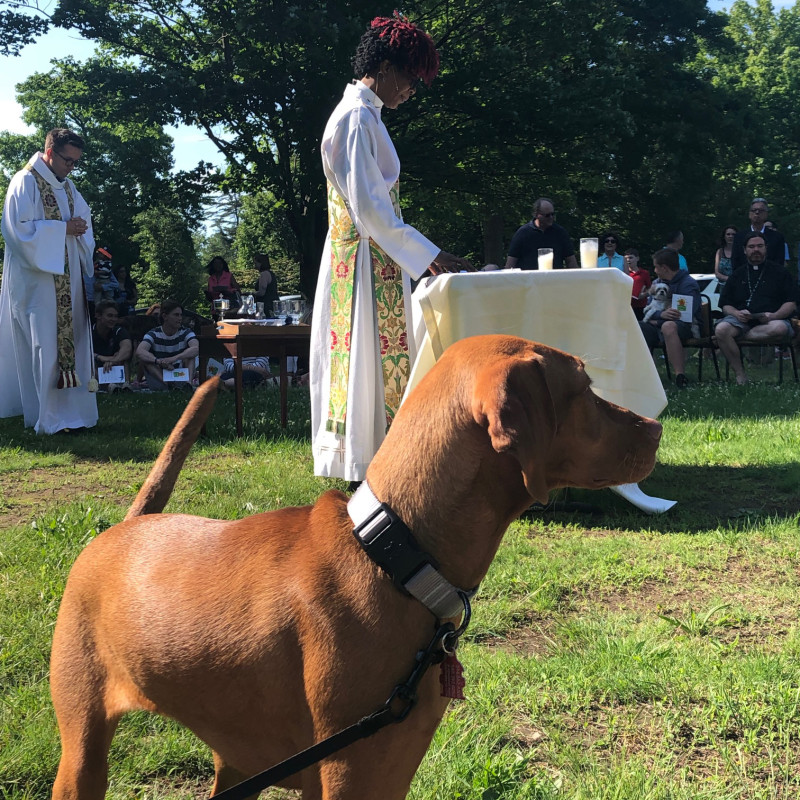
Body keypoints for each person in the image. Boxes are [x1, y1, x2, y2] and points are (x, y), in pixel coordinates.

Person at [310, 13, 471, 483]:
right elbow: (373, 210)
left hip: (373, 255)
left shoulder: (366, 115)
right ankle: (362, 460)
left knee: (376, 360)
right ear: (383, 65)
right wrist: (431, 255)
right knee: (364, 357)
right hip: (362, 259)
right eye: (410, 78)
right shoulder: (357, 117)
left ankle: (375, 456)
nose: (411, 91)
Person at [0, 128, 98, 434]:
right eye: (68, 160)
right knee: (44, 345)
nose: (71, 167)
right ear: (51, 152)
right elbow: (18, 231)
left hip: (69, 282)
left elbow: (83, 219)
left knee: (73, 343)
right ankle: (48, 419)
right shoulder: (24, 181)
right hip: (38, 282)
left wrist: (79, 228)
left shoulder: (68, 187)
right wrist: (62, 229)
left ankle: (74, 415)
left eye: (76, 163)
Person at [714, 232, 797, 385]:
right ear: (745, 250)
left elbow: (791, 303)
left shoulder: (781, 273)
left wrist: (774, 315)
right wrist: (736, 313)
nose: (756, 250)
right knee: (721, 330)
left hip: (771, 321)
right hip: (741, 320)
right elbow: (725, 305)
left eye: (760, 246)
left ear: (766, 248)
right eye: (751, 247)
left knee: (779, 328)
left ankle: (735, 339)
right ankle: (740, 375)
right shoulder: (737, 274)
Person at [639, 248, 701, 388]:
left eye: (656, 267)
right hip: (659, 323)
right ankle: (648, 375)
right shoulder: (658, 283)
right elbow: (648, 308)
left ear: (664, 268)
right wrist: (660, 316)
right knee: (636, 326)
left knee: (669, 326)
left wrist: (658, 320)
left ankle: (680, 376)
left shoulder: (687, 284)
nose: (654, 270)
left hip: (686, 326)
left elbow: (683, 314)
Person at [135, 299, 199, 391]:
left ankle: (187, 385)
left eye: (181, 315)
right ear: (165, 316)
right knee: (146, 360)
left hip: (180, 373)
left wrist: (174, 358)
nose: (180, 318)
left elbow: (196, 348)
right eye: (176, 315)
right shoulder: (154, 333)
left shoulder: (186, 332)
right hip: (160, 373)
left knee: (190, 356)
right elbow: (140, 351)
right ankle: (169, 386)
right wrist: (159, 361)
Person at [504, 197, 577, 270]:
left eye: (553, 214)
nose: (551, 217)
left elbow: (571, 261)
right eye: (547, 215)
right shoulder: (523, 233)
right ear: (536, 215)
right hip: (529, 279)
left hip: (554, 278)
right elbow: (511, 263)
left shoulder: (560, 233)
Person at [731, 198, 787, 271]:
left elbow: (779, 262)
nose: (757, 213)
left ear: (766, 214)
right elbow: (735, 262)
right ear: (749, 214)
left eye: (761, 210)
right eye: (754, 210)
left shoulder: (777, 237)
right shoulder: (739, 237)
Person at [92, 299, 133, 391]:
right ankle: (109, 387)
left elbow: (127, 349)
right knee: (90, 362)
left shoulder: (119, 331)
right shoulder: (89, 332)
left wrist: (113, 360)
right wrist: (100, 357)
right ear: (98, 316)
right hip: (97, 366)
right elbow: (82, 353)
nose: (113, 319)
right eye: (110, 316)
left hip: (114, 365)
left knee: (124, 359)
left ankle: (126, 385)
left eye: (116, 316)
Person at [625, 249, 651, 321]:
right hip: (626, 306)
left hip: (640, 306)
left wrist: (643, 294)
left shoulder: (644, 273)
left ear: (637, 258)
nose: (628, 260)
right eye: (626, 258)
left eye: (630, 257)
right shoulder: (623, 273)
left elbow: (650, 288)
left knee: (640, 327)